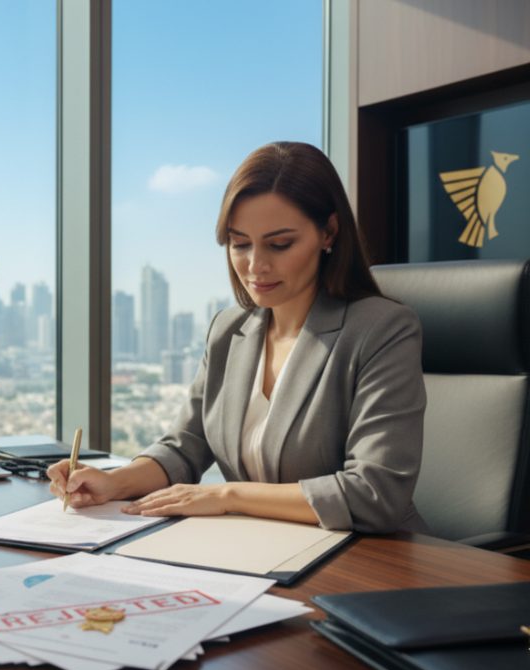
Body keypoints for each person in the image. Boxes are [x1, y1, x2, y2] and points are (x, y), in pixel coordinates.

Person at [49, 141, 427, 534]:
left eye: (280, 244)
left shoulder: (382, 330)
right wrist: (114, 482)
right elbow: (184, 447)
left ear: (328, 233)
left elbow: (374, 492)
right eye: (239, 243)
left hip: (369, 559)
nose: (255, 265)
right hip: (258, 548)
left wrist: (228, 496)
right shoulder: (229, 330)